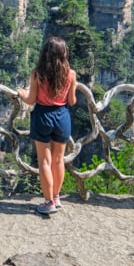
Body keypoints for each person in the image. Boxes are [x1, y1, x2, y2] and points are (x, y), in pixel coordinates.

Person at [17, 36, 78, 215]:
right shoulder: (71, 74)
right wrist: (72, 87)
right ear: (63, 54)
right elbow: (72, 101)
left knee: (45, 160)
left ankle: (48, 202)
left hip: (42, 115)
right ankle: (57, 197)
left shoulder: (37, 73)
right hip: (62, 117)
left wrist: (21, 93)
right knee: (59, 159)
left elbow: (30, 99)